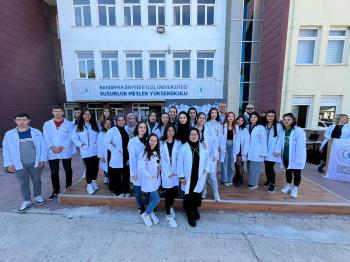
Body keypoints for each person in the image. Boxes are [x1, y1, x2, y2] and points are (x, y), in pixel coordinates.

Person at [3, 113, 46, 212]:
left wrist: (42, 159)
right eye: (19, 120)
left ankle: (38, 195)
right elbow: (6, 150)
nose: (21, 122)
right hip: (19, 164)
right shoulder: (9, 134)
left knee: (37, 180)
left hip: (35, 162)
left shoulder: (36, 132)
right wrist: (8, 164)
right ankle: (27, 200)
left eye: (24, 120)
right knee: (23, 183)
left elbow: (42, 146)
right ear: (15, 121)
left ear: (28, 121)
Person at [177, 128, 209, 227]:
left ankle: (195, 209)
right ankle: (189, 214)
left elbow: (208, 158)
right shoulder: (184, 147)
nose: (194, 136)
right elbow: (179, 162)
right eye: (192, 134)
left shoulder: (203, 147)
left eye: (196, 134)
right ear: (189, 136)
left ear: (199, 136)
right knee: (188, 194)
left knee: (197, 193)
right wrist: (181, 176)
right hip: (188, 176)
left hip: (199, 175)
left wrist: (206, 170)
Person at [43, 105, 75, 200]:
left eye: (59, 111)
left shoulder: (69, 124)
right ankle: (56, 190)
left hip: (65, 150)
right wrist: (52, 147)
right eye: (55, 111)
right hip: (52, 151)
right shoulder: (47, 124)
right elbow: (46, 136)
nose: (57, 113)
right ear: (52, 112)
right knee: (54, 172)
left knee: (68, 170)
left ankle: (69, 187)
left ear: (63, 112)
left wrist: (62, 147)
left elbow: (70, 137)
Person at [71, 109, 100, 194]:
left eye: (89, 114)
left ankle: (94, 181)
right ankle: (89, 184)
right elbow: (74, 137)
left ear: (91, 116)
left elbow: (100, 135)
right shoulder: (78, 126)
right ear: (82, 115)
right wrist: (80, 144)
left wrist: (97, 143)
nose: (87, 116)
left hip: (95, 150)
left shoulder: (95, 125)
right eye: (85, 114)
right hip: (85, 151)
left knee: (95, 168)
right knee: (89, 168)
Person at [280, 113, 306, 198]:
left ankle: (295, 188)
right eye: (284, 120)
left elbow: (301, 146)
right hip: (286, 155)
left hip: (296, 157)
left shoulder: (298, 131)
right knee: (288, 171)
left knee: (297, 173)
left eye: (288, 119)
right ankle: (288, 185)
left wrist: (298, 158)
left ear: (293, 120)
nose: (286, 121)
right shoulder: (284, 130)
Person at [160, 125, 181, 228]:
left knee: (173, 192)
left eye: (172, 130)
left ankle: (171, 206)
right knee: (168, 193)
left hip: (176, 172)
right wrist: (169, 172)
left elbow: (180, 158)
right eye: (169, 130)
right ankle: (168, 215)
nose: (171, 132)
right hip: (166, 173)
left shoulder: (178, 143)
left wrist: (175, 171)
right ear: (166, 132)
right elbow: (161, 159)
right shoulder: (161, 143)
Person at [138, 134, 161, 227]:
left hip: (156, 180)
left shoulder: (155, 152)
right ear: (148, 141)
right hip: (149, 180)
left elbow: (157, 163)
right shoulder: (144, 153)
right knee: (156, 199)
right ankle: (145, 214)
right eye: (152, 140)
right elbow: (141, 168)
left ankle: (151, 212)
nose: (153, 142)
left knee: (152, 199)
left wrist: (159, 168)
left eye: (155, 141)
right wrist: (150, 176)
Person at [105, 115, 130, 197]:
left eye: (123, 120)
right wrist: (116, 150)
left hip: (126, 155)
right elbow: (107, 143)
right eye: (119, 120)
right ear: (116, 121)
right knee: (117, 175)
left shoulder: (126, 129)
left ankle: (126, 190)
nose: (121, 122)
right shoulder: (111, 131)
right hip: (118, 155)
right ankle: (117, 191)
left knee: (126, 174)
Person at [128, 121, 149, 213]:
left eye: (144, 127)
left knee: (148, 189)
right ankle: (140, 206)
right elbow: (132, 158)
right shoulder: (132, 141)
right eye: (141, 127)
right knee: (138, 190)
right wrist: (133, 173)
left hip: (148, 169)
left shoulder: (148, 139)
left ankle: (148, 205)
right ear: (137, 129)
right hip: (137, 170)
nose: (143, 129)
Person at [202, 108, 222, 202]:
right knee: (204, 174)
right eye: (212, 113)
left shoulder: (219, 124)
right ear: (210, 114)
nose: (213, 114)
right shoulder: (206, 124)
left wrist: (216, 152)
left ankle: (216, 193)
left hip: (214, 152)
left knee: (213, 175)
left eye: (215, 113)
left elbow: (219, 140)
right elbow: (205, 139)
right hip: (206, 151)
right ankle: (204, 191)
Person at [264, 110, 283, 193]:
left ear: (274, 117)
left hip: (273, 150)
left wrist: (277, 150)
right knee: (266, 166)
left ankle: (273, 183)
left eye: (272, 116)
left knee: (270, 167)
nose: (270, 117)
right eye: (268, 116)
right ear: (266, 117)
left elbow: (280, 138)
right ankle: (268, 180)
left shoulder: (278, 126)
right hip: (265, 149)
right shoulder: (264, 125)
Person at [247, 112, 267, 189]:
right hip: (249, 150)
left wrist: (263, 152)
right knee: (250, 167)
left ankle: (254, 183)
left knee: (255, 167)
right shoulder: (248, 126)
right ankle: (251, 181)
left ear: (258, 118)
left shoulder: (261, 128)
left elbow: (263, 141)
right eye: (251, 117)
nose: (253, 119)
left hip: (257, 151)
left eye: (255, 117)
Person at [219, 112, 240, 186]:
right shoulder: (223, 126)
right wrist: (221, 147)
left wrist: (237, 149)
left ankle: (230, 179)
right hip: (224, 145)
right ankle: (224, 180)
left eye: (232, 116)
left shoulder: (236, 127)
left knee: (231, 164)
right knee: (224, 163)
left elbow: (238, 139)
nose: (230, 118)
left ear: (234, 118)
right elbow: (220, 137)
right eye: (229, 116)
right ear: (226, 117)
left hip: (232, 145)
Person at [233, 115, 250, 187]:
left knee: (240, 165)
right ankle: (236, 176)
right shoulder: (234, 128)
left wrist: (244, 152)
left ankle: (240, 178)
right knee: (236, 164)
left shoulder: (245, 130)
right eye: (238, 120)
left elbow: (246, 142)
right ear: (236, 120)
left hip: (241, 150)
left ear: (244, 122)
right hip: (234, 149)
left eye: (242, 120)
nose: (240, 121)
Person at [97, 118, 113, 185]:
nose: (108, 125)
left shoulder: (114, 133)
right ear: (104, 124)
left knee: (111, 166)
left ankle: (111, 178)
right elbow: (99, 145)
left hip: (112, 153)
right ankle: (106, 177)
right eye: (106, 123)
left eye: (109, 123)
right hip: (104, 153)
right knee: (105, 165)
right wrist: (100, 155)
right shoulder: (101, 134)